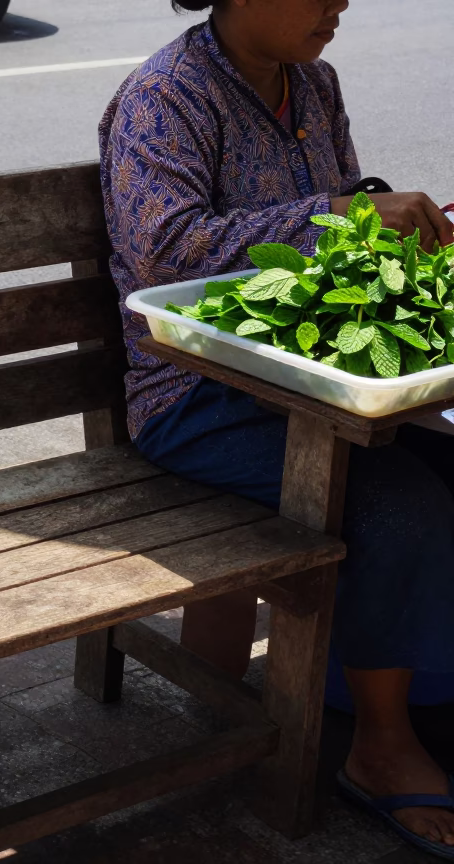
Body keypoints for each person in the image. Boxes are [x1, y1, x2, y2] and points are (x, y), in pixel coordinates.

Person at [99, 0, 454, 855]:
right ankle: (378, 747)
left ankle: (384, 685)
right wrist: (345, 214)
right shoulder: (165, 97)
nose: (340, 3)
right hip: (194, 397)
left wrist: (405, 246)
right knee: (399, 507)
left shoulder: (314, 85)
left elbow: (346, 234)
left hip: (305, 379)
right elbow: (166, 253)